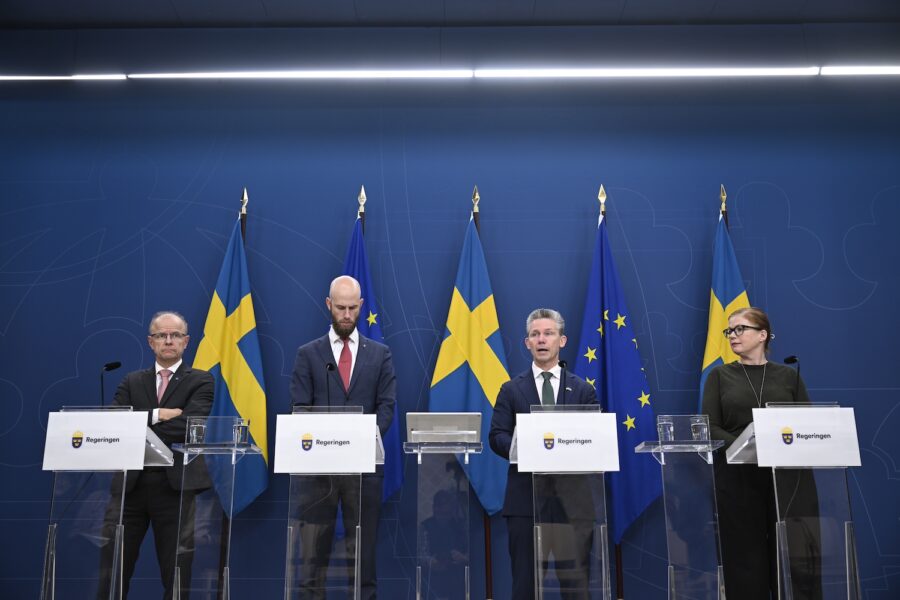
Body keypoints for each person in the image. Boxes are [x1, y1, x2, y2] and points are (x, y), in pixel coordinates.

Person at [289, 275, 396, 600]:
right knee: (312, 561)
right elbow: (299, 409)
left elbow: (387, 407)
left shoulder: (380, 354)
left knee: (362, 561)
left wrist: (358, 441)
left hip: (363, 472)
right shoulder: (308, 354)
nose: (347, 314)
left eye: (352, 308)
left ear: (362, 306)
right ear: (328, 305)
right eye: (340, 308)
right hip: (317, 473)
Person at [703, 307, 821, 600]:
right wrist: (749, 444)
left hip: (788, 480)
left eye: (739, 329)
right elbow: (709, 426)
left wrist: (774, 446)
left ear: (762, 335)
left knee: (795, 558)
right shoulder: (719, 376)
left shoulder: (788, 376)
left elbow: (805, 424)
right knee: (745, 560)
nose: (732, 336)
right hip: (738, 477)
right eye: (729, 331)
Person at [99, 311, 214, 599]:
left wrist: (139, 422)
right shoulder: (132, 381)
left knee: (176, 571)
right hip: (130, 488)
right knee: (113, 568)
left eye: (175, 335)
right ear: (151, 342)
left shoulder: (201, 381)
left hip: (174, 487)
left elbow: (190, 425)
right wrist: (157, 414)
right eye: (161, 335)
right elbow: (115, 422)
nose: (168, 340)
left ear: (186, 342)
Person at [489, 308, 599, 600]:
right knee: (525, 587)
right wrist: (521, 444)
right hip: (525, 503)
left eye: (548, 333)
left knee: (576, 589)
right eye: (535, 334)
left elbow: (594, 439)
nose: (541, 339)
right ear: (527, 343)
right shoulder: (511, 389)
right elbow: (496, 436)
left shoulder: (583, 390)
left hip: (573, 505)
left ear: (562, 340)